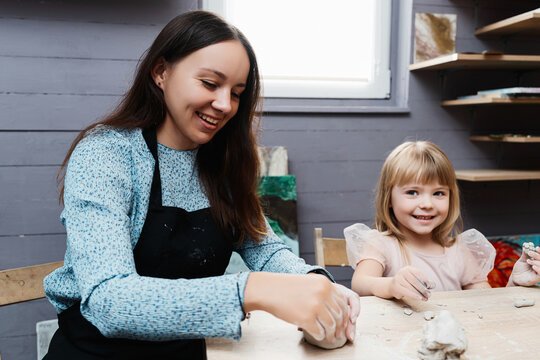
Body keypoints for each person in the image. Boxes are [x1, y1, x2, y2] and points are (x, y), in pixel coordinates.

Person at [43, 10, 359, 359]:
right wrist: (251, 289)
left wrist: (317, 283)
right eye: (210, 84)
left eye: (237, 92)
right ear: (161, 72)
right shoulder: (106, 155)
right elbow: (107, 299)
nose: (225, 105)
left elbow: (263, 249)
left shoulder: (220, 165)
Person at [344, 141, 540, 301]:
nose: (427, 203)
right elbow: (360, 284)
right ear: (389, 199)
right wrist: (392, 285)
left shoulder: (459, 251)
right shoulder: (381, 244)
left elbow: (486, 302)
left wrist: (514, 285)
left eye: (438, 193)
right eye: (412, 192)